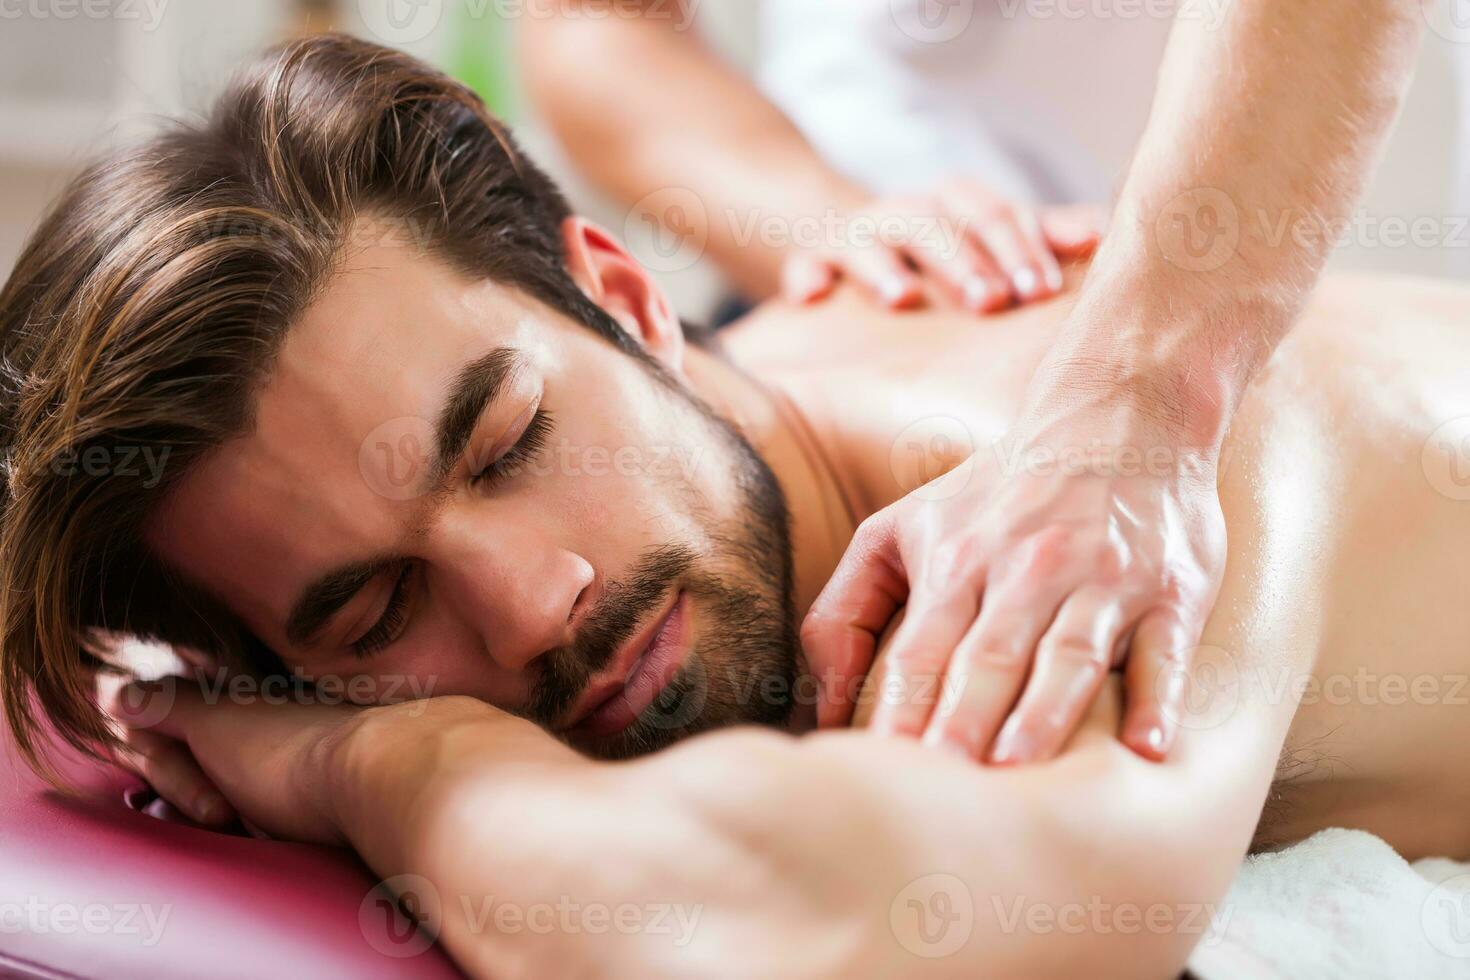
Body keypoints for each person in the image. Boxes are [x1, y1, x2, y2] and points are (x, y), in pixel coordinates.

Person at [2, 35, 1468, 976]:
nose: (531, 606)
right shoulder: (737, 382)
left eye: (508, 443)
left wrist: (379, 764)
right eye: (379, 608)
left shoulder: (1108, 510)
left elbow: (813, 944)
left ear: (628, 302)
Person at [525, 0, 1431, 765]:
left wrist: (1138, 396)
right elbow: (591, 21)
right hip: (847, 252)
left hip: (1301, 255)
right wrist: (827, 221)